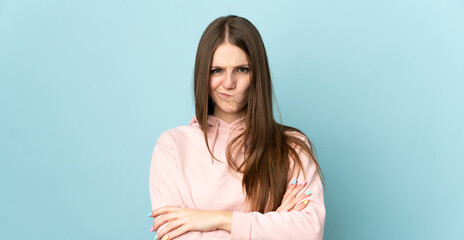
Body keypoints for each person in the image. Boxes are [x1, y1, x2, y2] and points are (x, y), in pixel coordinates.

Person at [148, 15, 325, 240]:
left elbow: (309, 232)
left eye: (241, 69)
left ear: (257, 74)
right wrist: (271, 224)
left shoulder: (292, 147)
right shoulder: (172, 147)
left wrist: (218, 219)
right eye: (217, 70)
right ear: (203, 74)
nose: (229, 83)